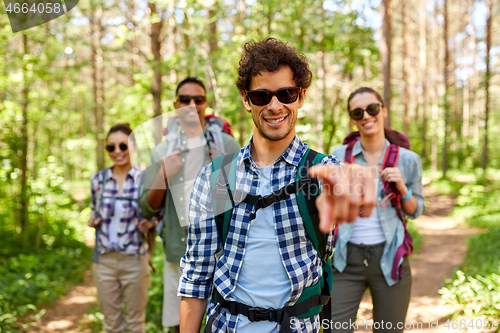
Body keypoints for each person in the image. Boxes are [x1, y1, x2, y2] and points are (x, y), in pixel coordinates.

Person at [178, 38, 376, 333]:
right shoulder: (218, 177)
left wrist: (358, 186)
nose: (274, 106)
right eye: (261, 96)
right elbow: (196, 275)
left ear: (300, 96)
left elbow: (352, 188)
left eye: (286, 93)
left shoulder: (322, 172)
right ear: (246, 99)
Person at [139, 77, 240, 333]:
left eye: (198, 99)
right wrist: (162, 174)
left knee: (225, 322)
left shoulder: (228, 147)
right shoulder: (163, 150)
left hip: (223, 253)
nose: (192, 104)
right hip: (179, 251)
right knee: (181, 325)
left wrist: (223, 175)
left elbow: (243, 205)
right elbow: (147, 208)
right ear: (175, 104)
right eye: (185, 99)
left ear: (206, 104)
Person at [330, 87, 425, 333]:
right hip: (345, 260)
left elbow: (415, 210)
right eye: (358, 112)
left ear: (383, 110)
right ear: (352, 119)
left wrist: (402, 187)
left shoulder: (408, 159)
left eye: (372, 109)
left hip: (390, 258)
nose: (366, 116)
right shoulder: (338, 157)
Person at [88, 123, 154, 333]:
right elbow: (94, 211)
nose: (117, 152)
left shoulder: (145, 180)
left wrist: (149, 224)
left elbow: (157, 216)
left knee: (135, 324)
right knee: (111, 324)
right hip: (104, 262)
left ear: (133, 146)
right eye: (111, 147)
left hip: (135, 260)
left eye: (123, 146)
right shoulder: (98, 180)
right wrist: (93, 220)